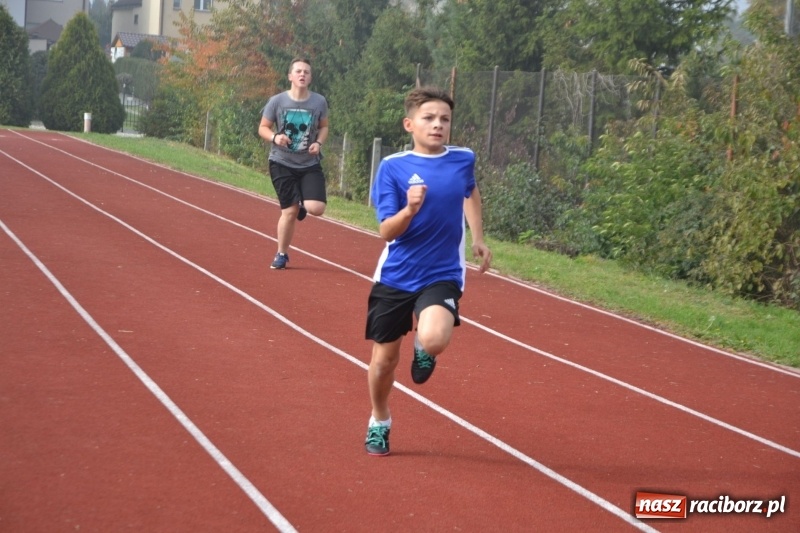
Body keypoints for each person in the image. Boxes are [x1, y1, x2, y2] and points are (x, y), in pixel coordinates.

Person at [363, 86, 492, 456]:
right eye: (429, 118)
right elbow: (386, 231)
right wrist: (409, 210)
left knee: (435, 338)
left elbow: (471, 191)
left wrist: (478, 237)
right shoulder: (392, 167)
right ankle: (379, 419)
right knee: (384, 361)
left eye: (445, 119)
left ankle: (424, 346)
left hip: (442, 272)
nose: (438, 125)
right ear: (410, 124)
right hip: (397, 275)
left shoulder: (463, 158)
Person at [258, 58, 329, 270]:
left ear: (310, 78)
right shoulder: (277, 101)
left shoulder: (319, 102)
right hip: (282, 162)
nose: (302, 75)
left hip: (309, 163)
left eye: (306, 72)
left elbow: (324, 127)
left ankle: (302, 204)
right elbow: (263, 127)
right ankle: (282, 253)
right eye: (298, 71)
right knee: (288, 212)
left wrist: (318, 142)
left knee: (316, 208)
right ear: (290, 76)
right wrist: (274, 138)